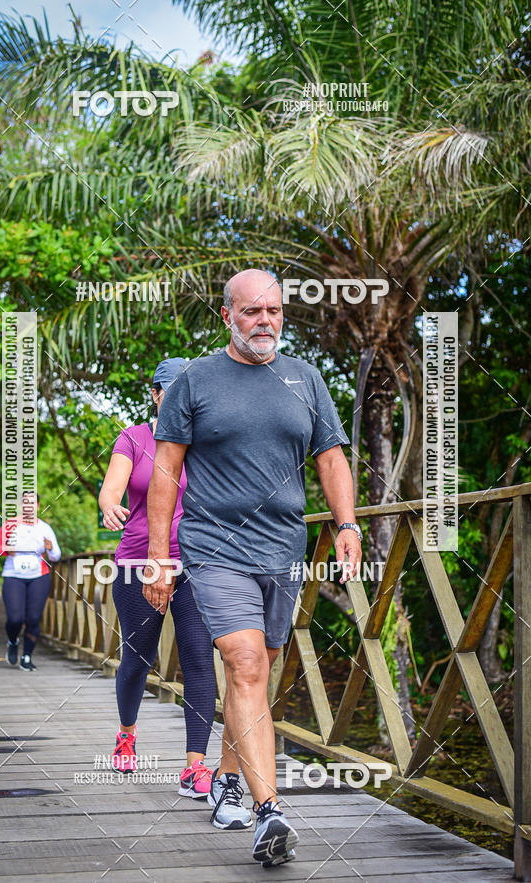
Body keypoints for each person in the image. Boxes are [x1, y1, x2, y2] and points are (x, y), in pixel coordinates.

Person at [147, 269, 362, 868]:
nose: (265, 321)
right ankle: (271, 813)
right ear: (227, 316)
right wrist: (160, 558)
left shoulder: (305, 379)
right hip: (215, 547)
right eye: (252, 312)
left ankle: (228, 781)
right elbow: (166, 472)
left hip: (284, 550)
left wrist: (346, 524)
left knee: (258, 675)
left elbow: (332, 457)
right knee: (243, 664)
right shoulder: (195, 381)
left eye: (274, 311)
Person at [99, 357, 217, 800]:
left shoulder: (205, 442)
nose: (183, 399)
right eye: (173, 390)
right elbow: (113, 487)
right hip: (136, 563)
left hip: (196, 565)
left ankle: (195, 766)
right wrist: (110, 505)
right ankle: (126, 732)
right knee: (138, 658)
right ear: (155, 394)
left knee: (198, 657)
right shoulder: (135, 438)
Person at [0, 493, 61, 671]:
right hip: (13, 574)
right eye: (26, 503)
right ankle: (13, 640)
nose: (29, 506)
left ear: (38, 506)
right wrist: (8, 550)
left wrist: (50, 548)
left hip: (39, 575)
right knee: (15, 618)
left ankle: (27, 657)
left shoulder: (45, 528)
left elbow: (56, 556)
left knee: (33, 618)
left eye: (33, 503)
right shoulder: (10, 525)